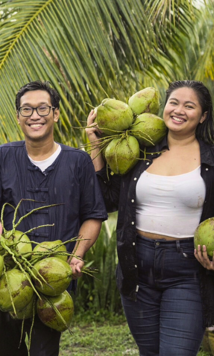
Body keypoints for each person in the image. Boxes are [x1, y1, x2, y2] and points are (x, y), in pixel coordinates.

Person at [0, 80, 108, 356]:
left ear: (56, 113)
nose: (35, 115)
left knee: (45, 351)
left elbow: (93, 215)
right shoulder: (2, 157)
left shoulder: (78, 162)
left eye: (42, 108)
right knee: (6, 349)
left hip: (54, 276)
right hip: (9, 271)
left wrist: (78, 254)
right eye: (27, 109)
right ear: (18, 117)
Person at [86, 80, 214, 355]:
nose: (179, 110)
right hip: (137, 266)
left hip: (188, 270)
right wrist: (96, 146)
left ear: (203, 116)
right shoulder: (140, 151)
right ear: (163, 108)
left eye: (189, 106)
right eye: (174, 103)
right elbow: (107, 201)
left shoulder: (211, 161)